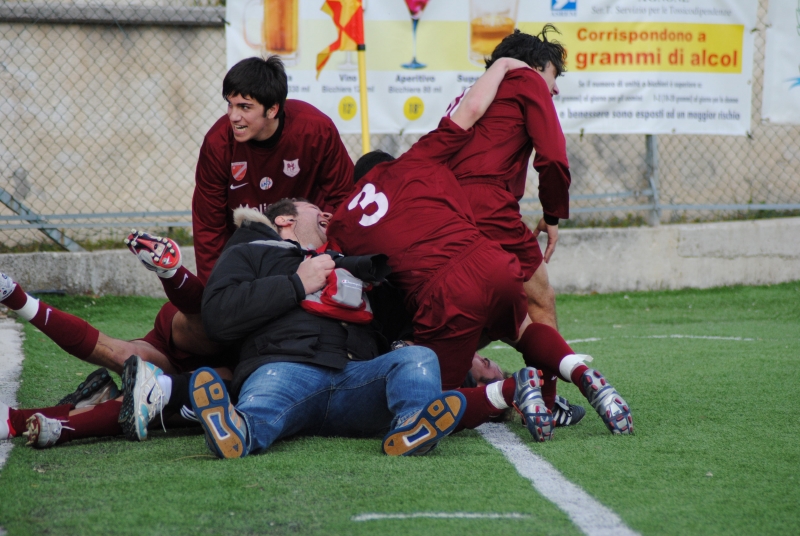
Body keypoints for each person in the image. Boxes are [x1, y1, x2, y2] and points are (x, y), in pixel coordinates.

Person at [327, 59, 632, 440]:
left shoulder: (342, 221)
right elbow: (470, 110)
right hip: (491, 261)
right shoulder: (415, 160)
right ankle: (580, 371)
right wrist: (502, 63)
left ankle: (511, 389)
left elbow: (339, 277)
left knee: (431, 404)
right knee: (524, 326)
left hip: (445, 291)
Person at [195, 199, 466, 459]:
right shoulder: (250, 251)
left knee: (419, 358)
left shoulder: (352, 264)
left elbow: (407, 317)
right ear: (285, 220)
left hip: (357, 378)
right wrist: (296, 284)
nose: (327, 215)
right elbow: (218, 315)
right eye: (316, 210)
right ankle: (236, 430)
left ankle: (413, 425)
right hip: (285, 364)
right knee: (260, 408)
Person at [445, 26, 572, 414]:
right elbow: (553, 158)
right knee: (539, 300)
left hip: (439, 205)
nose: (555, 90)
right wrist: (552, 214)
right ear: (532, 68)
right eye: (552, 77)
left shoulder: (472, 95)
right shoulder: (525, 81)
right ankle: (546, 403)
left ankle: (439, 389)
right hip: (485, 202)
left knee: (457, 304)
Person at [192, 56, 355, 283]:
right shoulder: (218, 143)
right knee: (172, 317)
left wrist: (338, 261)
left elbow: (344, 199)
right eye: (230, 104)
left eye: (245, 107)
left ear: (272, 110)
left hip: (311, 250)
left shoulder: (316, 130)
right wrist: (217, 290)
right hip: (249, 253)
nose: (233, 115)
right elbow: (209, 226)